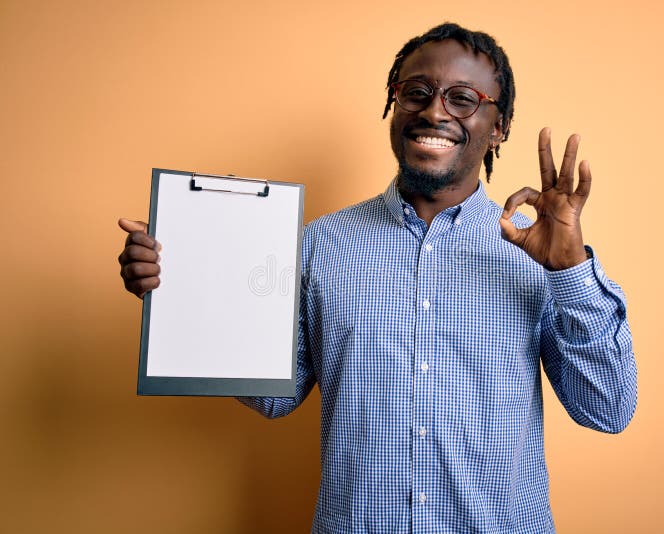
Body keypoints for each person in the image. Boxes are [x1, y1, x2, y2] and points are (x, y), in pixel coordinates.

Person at [118, 22, 637, 534]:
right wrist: (183, 288)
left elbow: (609, 408)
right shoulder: (320, 245)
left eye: (463, 98)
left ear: (498, 127)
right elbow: (276, 395)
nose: (434, 111)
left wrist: (571, 272)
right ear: (395, 105)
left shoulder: (540, 252)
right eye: (416, 92)